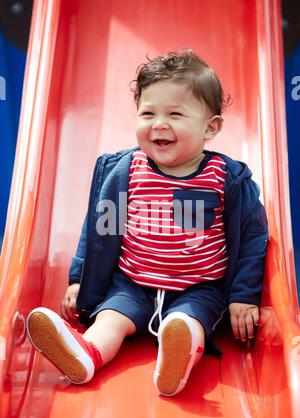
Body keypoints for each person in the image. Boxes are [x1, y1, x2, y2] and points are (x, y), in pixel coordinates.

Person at [26, 49, 268, 396]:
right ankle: (85, 355)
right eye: (147, 113)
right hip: (133, 284)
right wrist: (80, 279)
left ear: (210, 127)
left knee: (188, 321)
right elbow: (100, 228)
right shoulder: (127, 171)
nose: (158, 123)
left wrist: (243, 296)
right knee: (110, 320)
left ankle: (179, 353)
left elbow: (252, 236)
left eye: (175, 114)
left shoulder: (223, 178)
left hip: (198, 288)